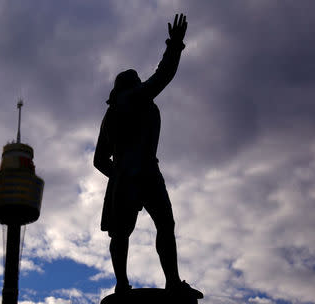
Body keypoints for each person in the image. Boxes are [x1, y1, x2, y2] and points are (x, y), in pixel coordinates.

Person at [94, 13, 203, 299]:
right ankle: (173, 282)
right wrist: (175, 45)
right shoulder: (133, 99)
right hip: (145, 173)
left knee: (122, 233)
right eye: (138, 81)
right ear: (130, 86)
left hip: (127, 176)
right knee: (163, 226)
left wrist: (117, 173)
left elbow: (98, 160)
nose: (143, 84)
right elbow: (163, 75)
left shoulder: (110, 115)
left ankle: (122, 284)